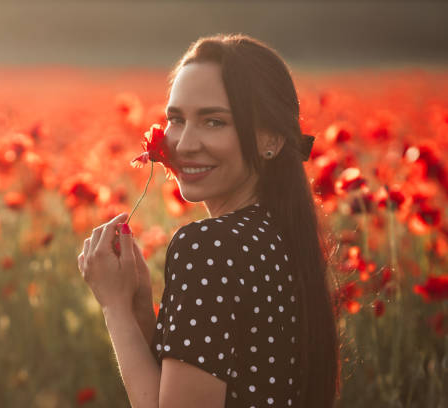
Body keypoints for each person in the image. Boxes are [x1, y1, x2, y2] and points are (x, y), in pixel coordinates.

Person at [78, 33, 340, 408]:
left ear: (271, 139)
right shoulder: (283, 235)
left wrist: (113, 307)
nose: (183, 144)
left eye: (213, 122)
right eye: (176, 119)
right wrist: (139, 312)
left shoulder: (209, 246)